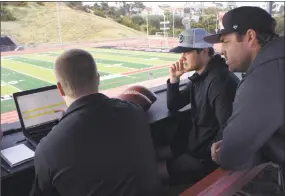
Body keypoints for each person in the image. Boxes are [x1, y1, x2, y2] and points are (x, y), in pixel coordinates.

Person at [31, 49, 162, 196]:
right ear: (98, 78)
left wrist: (66, 122)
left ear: (60, 89)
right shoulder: (134, 111)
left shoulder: (47, 148)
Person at [204, 6, 285, 170]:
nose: (221, 50)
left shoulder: (263, 78)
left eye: (226, 41)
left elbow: (232, 156)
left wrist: (225, 151)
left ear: (250, 37)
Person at [164, 28, 240, 184]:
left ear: (204, 51)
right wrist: (174, 79)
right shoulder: (200, 76)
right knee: (154, 155)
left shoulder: (219, 81)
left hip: (203, 159)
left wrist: (205, 158)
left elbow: (228, 127)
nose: (182, 57)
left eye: (187, 52)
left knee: (156, 171)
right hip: (194, 145)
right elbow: (174, 104)